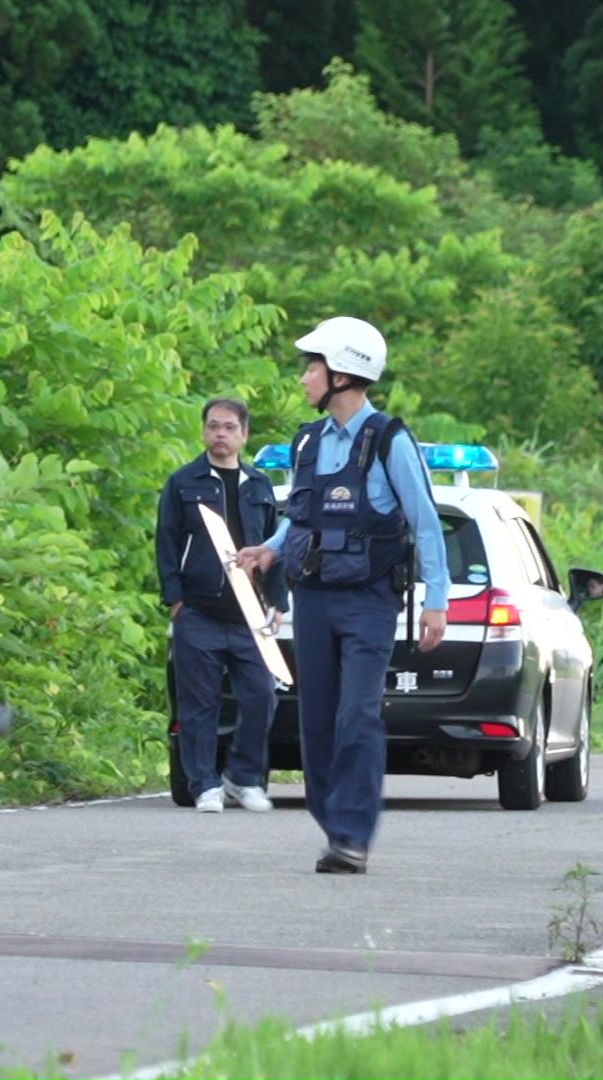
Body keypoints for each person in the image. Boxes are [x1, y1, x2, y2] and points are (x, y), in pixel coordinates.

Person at [236, 316, 450, 874]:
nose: (305, 376)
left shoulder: (390, 440)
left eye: (313, 366)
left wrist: (437, 601)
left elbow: (424, 521)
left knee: (357, 715)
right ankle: (336, 825)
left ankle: (352, 835)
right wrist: (271, 549)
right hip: (314, 600)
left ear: (344, 374)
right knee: (318, 721)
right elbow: (300, 515)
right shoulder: (306, 441)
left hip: (370, 601)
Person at [156, 398, 289, 814]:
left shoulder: (260, 485)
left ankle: (243, 778)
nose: (221, 434)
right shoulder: (183, 483)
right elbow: (167, 542)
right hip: (199, 612)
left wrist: (279, 601)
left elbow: (274, 549)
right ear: (203, 432)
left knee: (261, 697)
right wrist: (175, 600)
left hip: (250, 616)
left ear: (244, 434)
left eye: (230, 427)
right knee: (199, 705)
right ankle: (204, 785)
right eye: (213, 426)